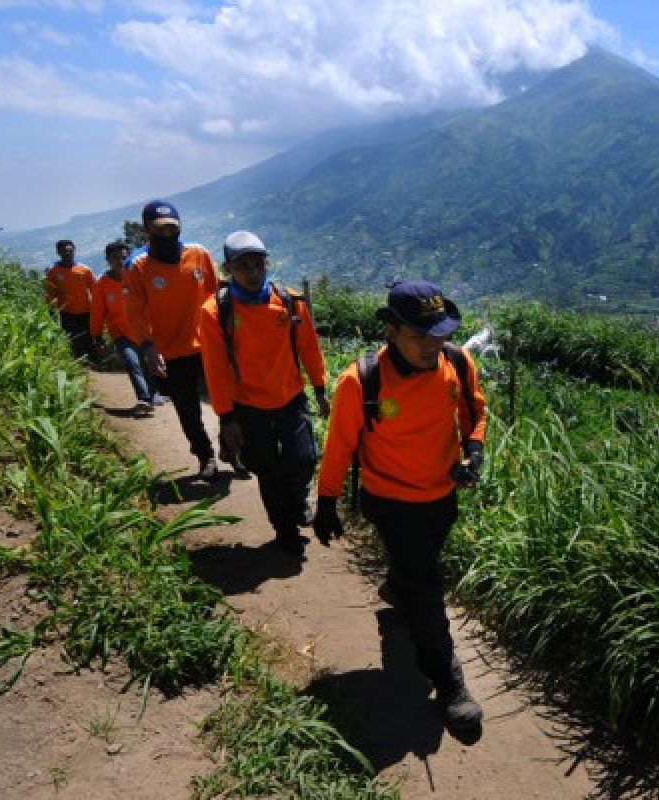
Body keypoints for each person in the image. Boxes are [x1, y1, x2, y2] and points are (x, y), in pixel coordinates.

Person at [312, 280, 487, 733]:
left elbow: (475, 412)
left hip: (441, 496)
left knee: (418, 565)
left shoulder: (457, 364)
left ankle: (399, 585)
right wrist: (326, 500)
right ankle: (448, 681)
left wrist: (474, 451)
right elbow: (339, 445)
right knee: (427, 589)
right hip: (389, 501)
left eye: (440, 334)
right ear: (391, 329)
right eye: (420, 335)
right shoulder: (362, 381)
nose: (434, 344)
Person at [198, 231, 331, 554]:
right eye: (244, 266)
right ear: (229, 269)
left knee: (304, 458)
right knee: (267, 471)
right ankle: (284, 528)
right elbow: (215, 369)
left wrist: (320, 388)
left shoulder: (289, 300)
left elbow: (309, 346)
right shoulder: (215, 312)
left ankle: (297, 501)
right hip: (248, 407)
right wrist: (226, 417)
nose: (253, 272)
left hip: (290, 398)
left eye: (258, 263)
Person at [124, 200, 219, 479]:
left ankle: (231, 447)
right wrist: (149, 347)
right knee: (188, 411)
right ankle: (205, 455)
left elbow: (217, 297)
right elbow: (135, 313)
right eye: (159, 230)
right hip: (171, 353)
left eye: (172, 229)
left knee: (228, 400)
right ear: (147, 230)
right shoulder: (138, 266)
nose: (167, 235)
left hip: (208, 345)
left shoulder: (199, 254)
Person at [90, 241, 164, 413]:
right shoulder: (101, 283)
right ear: (108, 260)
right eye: (115, 258)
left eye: (123, 257)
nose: (120, 261)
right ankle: (144, 398)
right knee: (132, 362)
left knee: (149, 362)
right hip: (120, 332)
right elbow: (97, 312)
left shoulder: (137, 276)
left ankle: (154, 394)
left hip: (144, 330)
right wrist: (97, 336)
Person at [44, 239, 95, 359]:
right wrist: (50, 310)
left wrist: (98, 309)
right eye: (65, 251)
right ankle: (78, 366)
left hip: (86, 311)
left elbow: (95, 290)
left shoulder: (85, 270)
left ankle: (92, 362)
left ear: (74, 251)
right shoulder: (53, 271)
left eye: (70, 251)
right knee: (72, 339)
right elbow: (50, 293)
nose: (68, 253)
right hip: (66, 312)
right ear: (58, 252)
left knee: (88, 338)